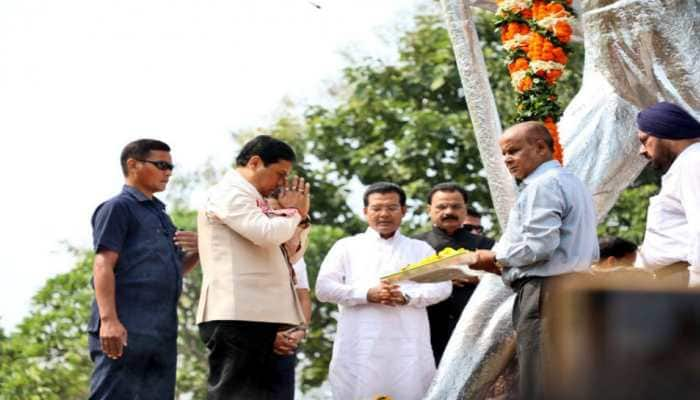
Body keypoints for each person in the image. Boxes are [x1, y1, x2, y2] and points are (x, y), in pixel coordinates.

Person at [470, 121, 599, 399]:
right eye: (504, 153)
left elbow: (540, 245)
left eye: (513, 151)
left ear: (541, 147)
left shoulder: (543, 185)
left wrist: (496, 256)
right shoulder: (570, 181)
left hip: (546, 292)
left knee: (540, 378)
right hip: (573, 287)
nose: (506, 159)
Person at [196, 135, 310, 399]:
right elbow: (266, 233)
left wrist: (299, 218)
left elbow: (291, 254)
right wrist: (293, 213)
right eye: (279, 174)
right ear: (256, 162)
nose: (282, 184)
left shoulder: (257, 200)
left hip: (261, 316)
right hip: (237, 314)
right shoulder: (228, 193)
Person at [316, 182, 452, 400]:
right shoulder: (346, 247)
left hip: (408, 348)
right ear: (365, 212)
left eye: (391, 208)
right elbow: (324, 288)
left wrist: (407, 296)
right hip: (360, 346)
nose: (384, 214)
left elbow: (443, 286)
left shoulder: (420, 249)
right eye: (377, 208)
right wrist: (367, 294)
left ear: (404, 211)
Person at [88, 139, 200, 399]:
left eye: (171, 167)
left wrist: (200, 250)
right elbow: (103, 263)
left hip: (161, 333)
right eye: (162, 165)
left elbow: (175, 270)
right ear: (133, 165)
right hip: (124, 329)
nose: (168, 173)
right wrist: (108, 321)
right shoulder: (117, 208)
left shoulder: (161, 215)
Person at [414, 182, 495, 366]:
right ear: (429, 210)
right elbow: (404, 282)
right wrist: (442, 277)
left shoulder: (486, 245)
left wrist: (472, 275)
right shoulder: (414, 245)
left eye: (456, 206)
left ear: (465, 209)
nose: (449, 211)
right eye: (441, 206)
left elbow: (502, 279)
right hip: (427, 330)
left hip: (475, 331)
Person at [633, 101, 700, 287]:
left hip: (686, 279)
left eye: (644, 140)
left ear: (665, 131)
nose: (642, 150)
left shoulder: (693, 161)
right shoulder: (688, 162)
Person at [266, 191, 312, 400]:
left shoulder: (297, 257)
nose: (275, 216)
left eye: (281, 213)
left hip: (286, 341)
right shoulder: (248, 251)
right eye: (269, 212)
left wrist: (299, 331)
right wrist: (267, 337)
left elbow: (303, 296)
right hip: (248, 340)